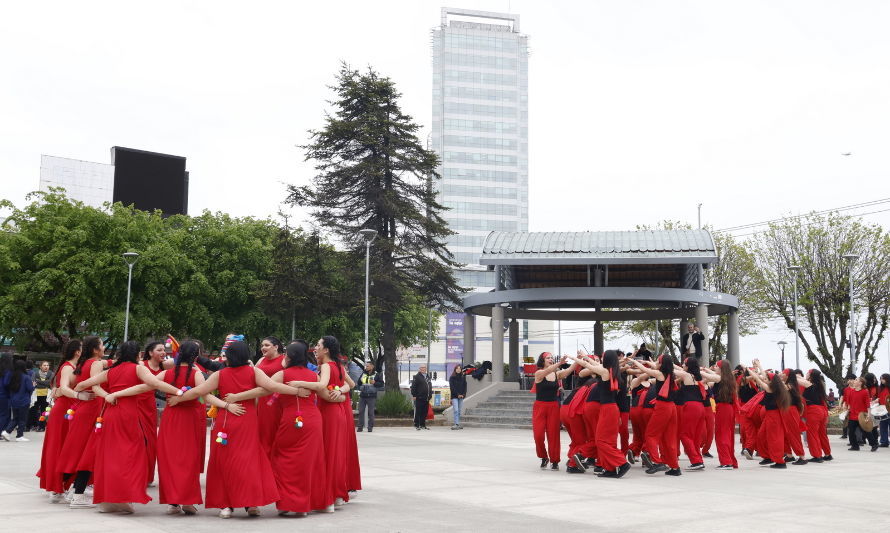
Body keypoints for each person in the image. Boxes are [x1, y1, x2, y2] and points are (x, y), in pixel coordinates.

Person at [167, 340, 293, 518]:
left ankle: (226, 505)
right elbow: (271, 387)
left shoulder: (221, 374)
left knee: (225, 461)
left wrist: (180, 399)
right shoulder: (253, 371)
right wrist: (296, 391)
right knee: (248, 461)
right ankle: (251, 504)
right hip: (247, 420)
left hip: (226, 421)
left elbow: (200, 392)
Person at [74, 341, 185, 514]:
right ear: (137, 354)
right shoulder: (138, 368)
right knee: (131, 456)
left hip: (110, 415)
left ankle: (107, 500)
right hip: (128, 416)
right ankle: (123, 497)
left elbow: (81, 386)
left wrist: (107, 395)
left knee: (109, 456)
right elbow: (154, 383)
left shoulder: (111, 371)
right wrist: (178, 391)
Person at [156, 340, 236, 516]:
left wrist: (175, 394)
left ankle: (173, 502)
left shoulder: (166, 373)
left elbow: (149, 384)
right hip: (189, 419)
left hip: (170, 419)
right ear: (196, 355)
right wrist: (225, 405)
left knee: (170, 459)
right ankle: (187, 501)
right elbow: (205, 396)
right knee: (188, 460)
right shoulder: (196, 374)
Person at [58, 336, 107, 508]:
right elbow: (95, 385)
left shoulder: (83, 364)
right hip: (91, 410)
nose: (104, 346)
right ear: (95, 349)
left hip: (83, 410)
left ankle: (70, 489)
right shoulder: (95, 363)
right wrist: (110, 395)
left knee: (77, 452)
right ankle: (76, 494)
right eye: (102, 344)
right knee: (87, 453)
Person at [37, 340, 86, 502]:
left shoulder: (72, 367)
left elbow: (58, 388)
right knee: (60, 448)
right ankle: (56, 487)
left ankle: (60, 485)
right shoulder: (67, 367)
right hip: (64, 411)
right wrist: (78, 395)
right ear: (78, 352)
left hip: (69, 409)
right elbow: (63, 387)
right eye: (82, 348)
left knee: (65, 448)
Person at [629, 355, 681, 476]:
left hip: (663, 407)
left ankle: (657, 462)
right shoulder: (670, 374)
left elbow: (647, 370)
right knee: (669, 438)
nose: (656, 363)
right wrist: (648, 361)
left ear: (662, 364)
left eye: (658, 361)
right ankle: (674, 467)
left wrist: (634, 361)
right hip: (671, 407)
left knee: (650, 435)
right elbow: (652, 367)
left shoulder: (659, 374)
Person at [531, 352, 570, 470]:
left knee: (553, 435)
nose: (550, 359)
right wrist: (560, 362)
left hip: (553, 406)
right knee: (538, 435)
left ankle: (554, 460)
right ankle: (544, 457)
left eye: (551, 358)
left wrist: (577, 361)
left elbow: (569, 370)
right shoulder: (539, 373)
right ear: (542, 360)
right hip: (540, 406)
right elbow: (547, 371)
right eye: (548, 358)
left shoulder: (557, 374)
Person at [748, 360, 790, 468]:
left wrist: (747, 369)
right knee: (762, 436)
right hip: (769, 416)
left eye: (766, 379)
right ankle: (768, 457)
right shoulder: (773, 386)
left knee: (774, 438)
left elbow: (758, 379)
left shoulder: (771, 388)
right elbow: (763, 376)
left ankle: (780, 462)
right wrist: (759, 366)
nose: (764, 379)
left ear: (771, 381)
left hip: (773, 416)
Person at [701, 360, 738, 470]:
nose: (715, 367)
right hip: (727, 409)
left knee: (722, 435)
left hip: (724, 408)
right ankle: (729, 461)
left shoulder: (720, 378)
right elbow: (712, 375)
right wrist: (706, 369)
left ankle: (726, 462)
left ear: (721, 368)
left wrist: (699, 371)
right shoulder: (728, 378)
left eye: (716, 366)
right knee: (726, 435)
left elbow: (710, 376)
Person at [255, 336, 286, 456]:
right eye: (262, 345)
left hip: (277, 399)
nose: (263, 348)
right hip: (262, 399)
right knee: (263, 430)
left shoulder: (284, 360)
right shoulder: (261, 360)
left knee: (274, 430)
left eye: (266, 345)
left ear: (276, 347)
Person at [801, 369, 832, 462]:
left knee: (812, 434)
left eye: (807, 373)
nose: (805, 374)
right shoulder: (819, 385)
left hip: (814, 411)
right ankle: (827, 454)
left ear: (810, 376)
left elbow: (796, 379)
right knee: (822, 434)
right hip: (821, 410)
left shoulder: (809, 384)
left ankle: (817, 456)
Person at [1, 359, 35, 442]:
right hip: (24, 401)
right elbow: (30, 388)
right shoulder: (26, 377)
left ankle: (7, 431)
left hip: (14, 400)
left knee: (16, 418)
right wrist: (33, 385)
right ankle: (19, 435)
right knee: (22, 419)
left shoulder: (12, 377)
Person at [844, 376, 878, 452]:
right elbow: (849, 404)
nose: (854, 381)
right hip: (852, 415)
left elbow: (867, 405)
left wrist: (868, 415)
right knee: (851, 432)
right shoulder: (851, 391)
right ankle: (855, 446)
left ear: (860, 383)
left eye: (856, 380)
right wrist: (846, 412)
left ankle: (874, 444)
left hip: (861, 416)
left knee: (866, 432)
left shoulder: (865, 391)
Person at [357, 361, 384, 432]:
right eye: (366, 366)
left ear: (372, 367)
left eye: (367, 366)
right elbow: (359, 383)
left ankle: (370, 427)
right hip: (363, 396)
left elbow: (381, 384)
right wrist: (360, 382)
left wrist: (375, 383)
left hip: (371, 396)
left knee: (371, 413)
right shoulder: (363, 373)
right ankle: (360, 427)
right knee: (360, 411)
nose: (366, 367)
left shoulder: (377, 374)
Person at [32, 361, 54, 432]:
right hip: (36, 395)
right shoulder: (35, 373)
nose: (46, 367)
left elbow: (49, 382)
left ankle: (42, 426)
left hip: (46, 395)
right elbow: (33, 382)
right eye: (44, 365)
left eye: (47, 365)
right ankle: (34, 425)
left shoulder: (51, 374)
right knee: (34, 410)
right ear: (40, 366)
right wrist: (44, 383)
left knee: (44, 411)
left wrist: (39, 381)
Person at [411, 365, 432, 430]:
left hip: (427, 398)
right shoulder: (417, 377)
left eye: (424, 368)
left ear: (426, 369)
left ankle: (423, 425)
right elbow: (413, 386)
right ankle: (417, 424)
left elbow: (429, 386)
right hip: (419, 397)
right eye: (422, 368)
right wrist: (414, 395)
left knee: (424, 412)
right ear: (419, 369)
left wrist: (430, 395)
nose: (423, 369)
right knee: (418, 411)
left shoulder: (428, 377)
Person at [448, 364, 467, 430]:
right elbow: (452, 388)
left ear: (461, 370)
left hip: (461, 397)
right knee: (456, 410)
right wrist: (457, 394)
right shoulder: (452, 378)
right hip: (454, 396)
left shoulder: (463, 377)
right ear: (455, 370)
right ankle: (456, 424)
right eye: (457, 368)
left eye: (460, 369)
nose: (458, 370)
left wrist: (463, 395)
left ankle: (458, 423)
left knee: (459, 411)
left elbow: (465, 387)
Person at [0, 353, 12, 434]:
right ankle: (1, 431)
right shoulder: (8, 371)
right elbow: (6, 383)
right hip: (4, 395)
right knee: (4, 414)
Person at [878, 374, 890, 448]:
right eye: (880, 379)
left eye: (882, 379)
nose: (881, 380)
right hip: (882, 410)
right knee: (883, 427)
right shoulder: (881, 388)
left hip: (889, 409)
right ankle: (884, 442)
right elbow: (880, 398)